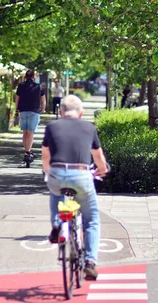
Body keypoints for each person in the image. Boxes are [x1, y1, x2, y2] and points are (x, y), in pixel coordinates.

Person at [41, 94, 108, 280]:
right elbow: (98, 158)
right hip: (81, 175)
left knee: (55, 192)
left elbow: (45, 155)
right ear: (81, 113)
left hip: (57, 172)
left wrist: (48, 172)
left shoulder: (52, 127)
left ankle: (56, 225)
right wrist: (102, 171)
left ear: (60, 112)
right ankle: (90, 262)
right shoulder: (89, 127)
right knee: (92, 218)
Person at [16, 69, 46, 162]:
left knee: (25, 133)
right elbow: (43, 100)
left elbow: (17, 98)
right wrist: (43, 109)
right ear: (34, 76)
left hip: (23, 111)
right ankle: (28, 152)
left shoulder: (20, 86)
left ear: (25, 76)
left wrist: (17, 108)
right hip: (34, 111)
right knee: (30, 133)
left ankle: (27, 151)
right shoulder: (38, 86)